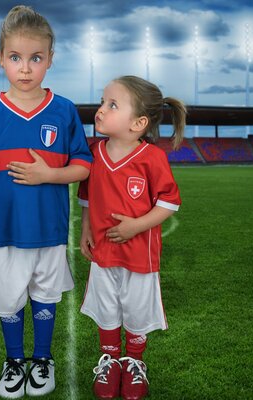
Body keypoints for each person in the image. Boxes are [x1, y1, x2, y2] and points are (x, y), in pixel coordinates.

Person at [0, 5, 92, 399]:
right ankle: (14, 360)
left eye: (35, 58)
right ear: (1, 58)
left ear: (50, 59)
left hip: (49, 230)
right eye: (15, 57)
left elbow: (84, 167)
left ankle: (42, 359)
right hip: (3, 231)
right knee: (9, 296)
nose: (25, 68)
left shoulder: (64, 110)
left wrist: (50, 174)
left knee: (45, 294)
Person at [78, 75, 186, 400]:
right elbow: (86, 195)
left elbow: (169, 203)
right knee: (107, 306)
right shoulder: (94, 153)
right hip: (103, 251)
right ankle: (110, 360)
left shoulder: (152, 158)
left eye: (112, 105)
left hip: (140, 255)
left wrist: (135, 226)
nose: (100, 110)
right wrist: (85, 229)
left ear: (138, 123)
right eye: (102, 102)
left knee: (137, 309)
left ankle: (134, 362)